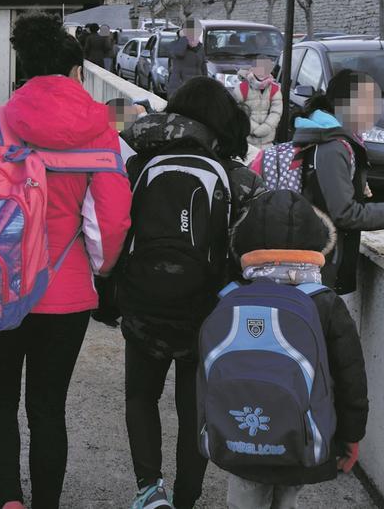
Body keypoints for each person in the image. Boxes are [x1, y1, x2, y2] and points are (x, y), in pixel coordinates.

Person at [0, 14, 131, 509]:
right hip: (62, 296)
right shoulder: (101, 133)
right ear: (75, 72)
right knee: (48, 409)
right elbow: (110, 225)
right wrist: (100, 270)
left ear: (21, 70)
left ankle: (8, 501)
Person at [116, 77, 262, 509]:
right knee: (192, 411)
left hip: (142, 306)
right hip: (205, 314)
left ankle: (148, 490)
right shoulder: (240, 180)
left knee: (140, 396)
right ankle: (185, 500)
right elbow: (247, 254)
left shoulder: (138, 166)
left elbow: (116, 230)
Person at [212, 189, 368, 509]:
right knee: (287, 497)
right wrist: (351, 434)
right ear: (315, 242)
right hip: (301, 437)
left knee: (245, 495)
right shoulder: (324, 302)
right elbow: (350, 375)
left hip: (240, 434)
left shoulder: (229, 298)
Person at [292, 69, 384, 294]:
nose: (375, 110)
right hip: (319, 266)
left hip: (316, 260)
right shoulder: (332, 145)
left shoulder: (334, 137)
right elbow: (345, 214)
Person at [232, 57, 283, 147]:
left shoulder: (275, 89)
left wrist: (265, 128)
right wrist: (254, 129)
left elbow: (276, 112)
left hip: (267, 141)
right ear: (253, 69)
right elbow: (238, 112)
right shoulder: (241, 88)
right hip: (246, 141)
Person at [165, 18, 207, 96]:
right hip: (179, 89)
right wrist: (184, 38)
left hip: (197, 89)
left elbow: (204, 69)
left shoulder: (200, 48)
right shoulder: (174, 45)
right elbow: (179, 53)